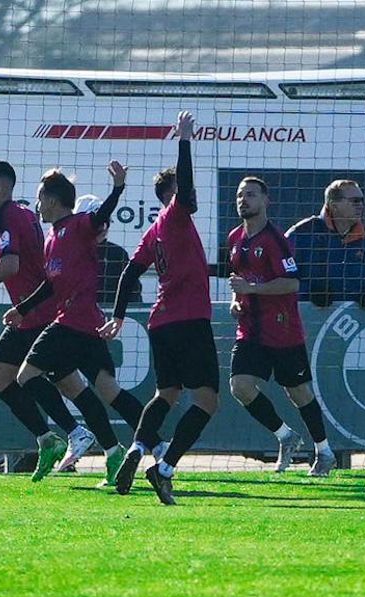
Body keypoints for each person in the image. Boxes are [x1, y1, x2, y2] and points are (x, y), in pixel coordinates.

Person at [5, 163, 156, 486]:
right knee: (102, 390)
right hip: (85, 325)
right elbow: (50, 285)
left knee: (26, 376)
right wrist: (23, 308)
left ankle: (63, 436)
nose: (37, 205)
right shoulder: (51, 238)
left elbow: (100, 217)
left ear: (52, 200)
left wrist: (117, 188)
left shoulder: (77, 225)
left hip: (73, 322)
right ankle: (116, 451)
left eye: (39, 197)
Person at [100, 111, 218, 505]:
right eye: (184, 189)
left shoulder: (153, 231)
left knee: (166, 393)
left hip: (161, 321)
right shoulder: (178, 213)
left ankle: (136, 450)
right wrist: (184, 140)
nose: (192, 194)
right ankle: (164, 466)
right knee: (206, 400)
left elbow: (129, 273)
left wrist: (117, 316)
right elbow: (185, 189)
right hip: (189, 320)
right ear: (172, 194)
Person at [0, 160, 88, 477]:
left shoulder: (6, 215)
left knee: (40, 378)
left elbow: (10, 264)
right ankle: (52, 438)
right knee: (7, 378)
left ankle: (77, 435)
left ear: (3, 186)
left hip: (35, 312)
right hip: (35, 310)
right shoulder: (19, 213)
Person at [226, 176, 336, 477]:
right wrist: (236, 299)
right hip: (250, 330)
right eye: (239, 195)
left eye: (250, 194)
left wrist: (251, 290)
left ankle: (324, 451)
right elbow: (240, 280)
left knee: (298, 391)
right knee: (240, 386)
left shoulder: (275, 240)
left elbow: (291, 282)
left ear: (265, 201)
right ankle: (286, 436)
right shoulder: (235, 238)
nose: (243, 200)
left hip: (282, 330)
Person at [285, 179, 365, 309]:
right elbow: (281, 274)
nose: (361, 205)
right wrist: (308, 293)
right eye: (354, 201)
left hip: (355, 321)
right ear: (334, 205)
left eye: (362, 200)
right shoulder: (302, 234)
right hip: (308, 317)